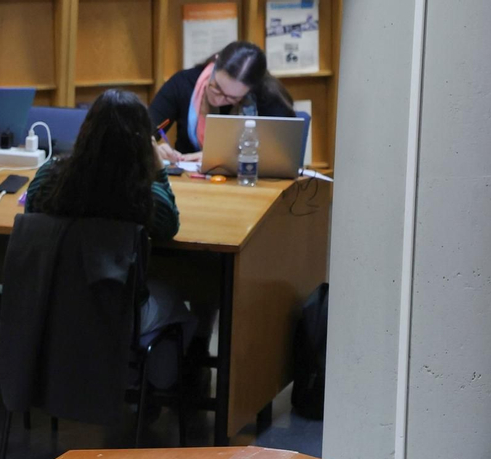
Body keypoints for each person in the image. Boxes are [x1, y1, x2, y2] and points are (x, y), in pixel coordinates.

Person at [23, 89, 194, 386]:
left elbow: (31, 208)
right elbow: (170, 226)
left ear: (86, 129)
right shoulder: (142, 195)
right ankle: (146, 387)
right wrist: (158, 169)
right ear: (142, 139)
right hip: (117, 314)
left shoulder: (50, 177)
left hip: (55, 307)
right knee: (183, 308)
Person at [151, 40, 295, 162]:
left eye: (232, 98)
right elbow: (141, 133)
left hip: (249, 183)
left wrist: (220, 159)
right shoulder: (183, 84)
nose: (219, 99)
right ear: (215, 63)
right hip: (191, 183)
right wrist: (154, 150)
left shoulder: (267, 96)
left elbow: (283, 152)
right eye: (217, 87)